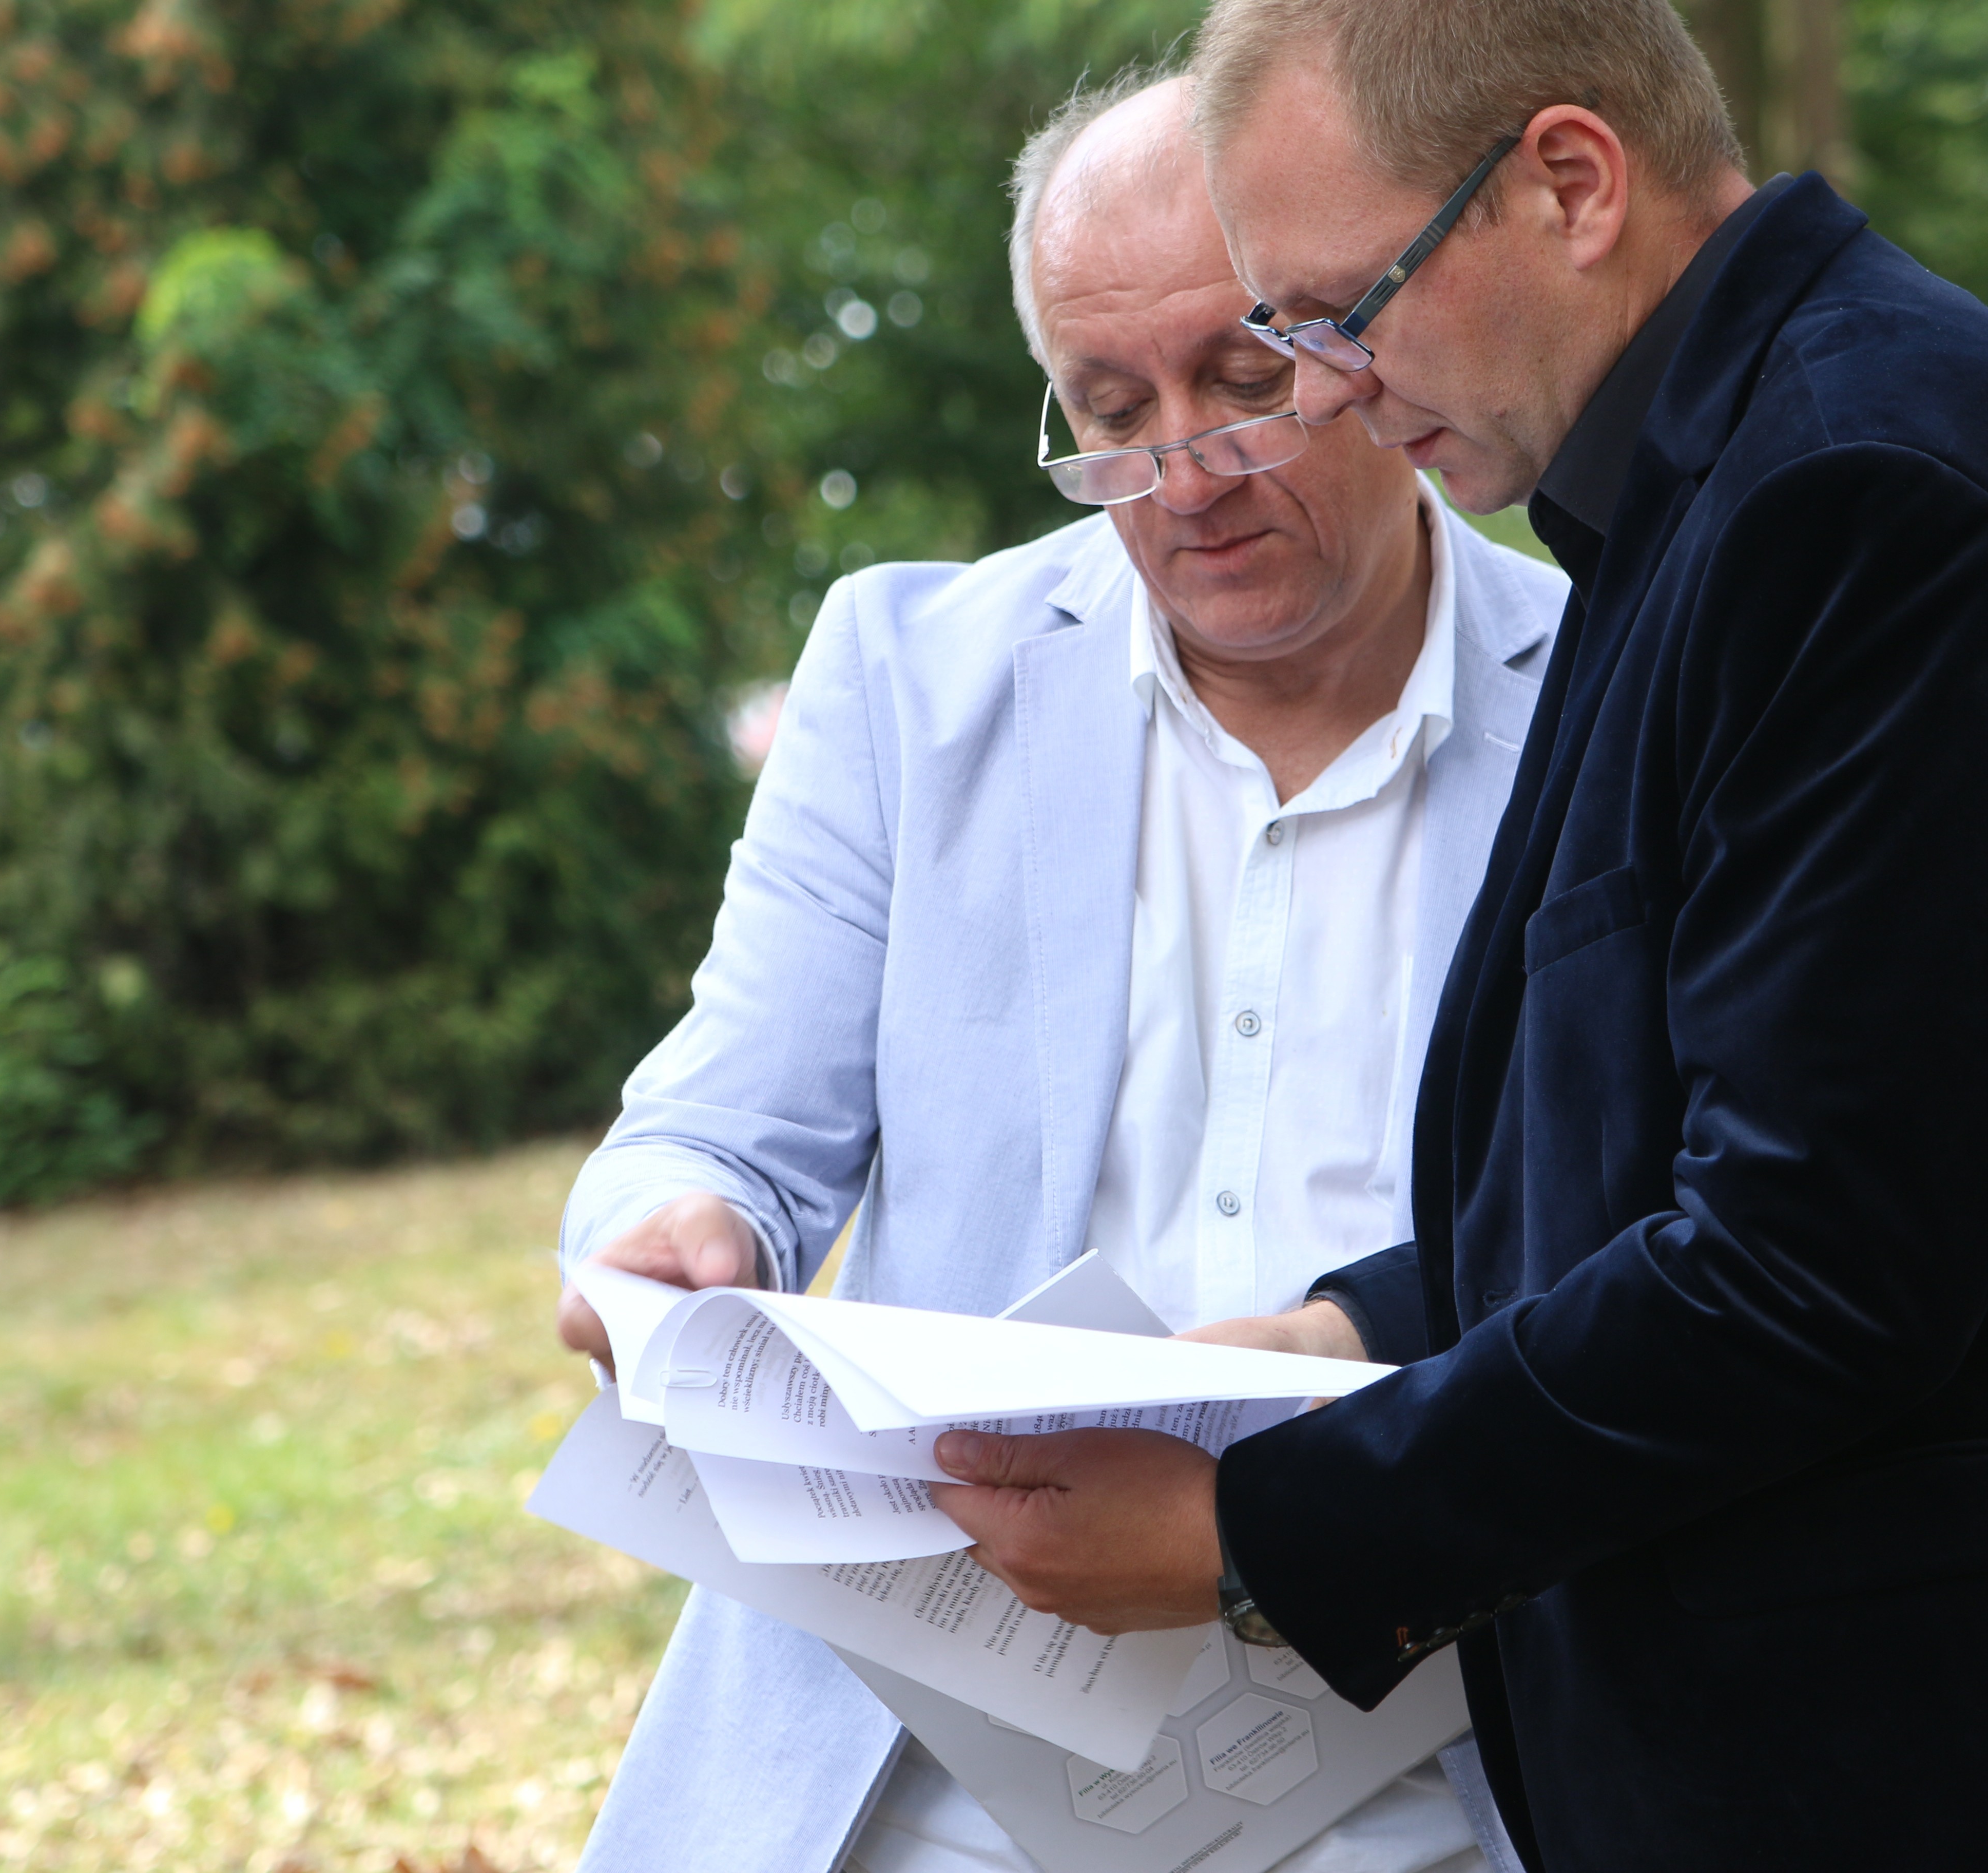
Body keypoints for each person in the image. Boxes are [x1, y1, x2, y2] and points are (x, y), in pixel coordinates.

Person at [918, 3, 1988, 1869]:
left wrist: (1260, 1536)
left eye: (1339, 309)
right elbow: (1704, 1121)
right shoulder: (1705, 485)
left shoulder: (1865, 489)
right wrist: (1356, 1328)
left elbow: (1812, 1265)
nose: (1331, 386)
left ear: (1572, 184)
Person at [552, 69, 1567, 1873]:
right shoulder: (910, 679)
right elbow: (723, 1128)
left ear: (1363, 336)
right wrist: (676, 1221)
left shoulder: (1605, 686)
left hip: (1453, 1765)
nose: (1182, 473)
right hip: (930, 1765)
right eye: (1109, 412)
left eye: (1244, 380)